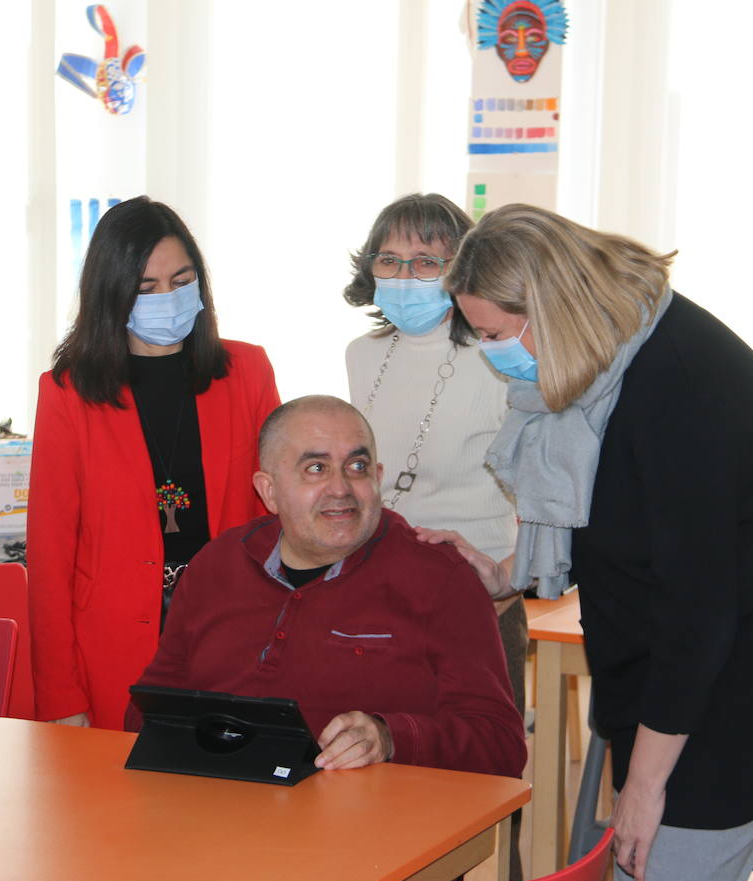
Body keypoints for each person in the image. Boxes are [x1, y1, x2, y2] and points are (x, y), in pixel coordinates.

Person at [433, 204, 753, 881]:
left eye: (495, 334)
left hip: (750, 662)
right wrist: (507, 574)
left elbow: (700, 606)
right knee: (648, 874)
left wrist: (646, 785)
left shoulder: (679, 381)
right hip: (679, 658)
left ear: (550, 308)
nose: (489, 350)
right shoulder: (606, 357)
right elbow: (612, 523)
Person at [126, 395, 525, 778]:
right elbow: (149, 710)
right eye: (315, 469)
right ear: (268, 491)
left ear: (379, 478)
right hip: (214, 814)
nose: (341, 488)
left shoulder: (440, 577)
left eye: (357, 467)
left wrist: (390, 738)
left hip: (371, 829)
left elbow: (500, 745)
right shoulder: (218, 565)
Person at [30, 196, 281, 730]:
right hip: (113, 650)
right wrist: (59, 695)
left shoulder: (248, 371)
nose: (167, 298)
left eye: (181, 280)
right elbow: (50, 555)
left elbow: (280, 514)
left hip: (233, 639)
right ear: (111, 295)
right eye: (146, 288)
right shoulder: (67, 394)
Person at [343, 193, 525, 713]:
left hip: (481, 598)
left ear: (462, 269)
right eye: (389, 260)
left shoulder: (499, 355)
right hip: (379, 596)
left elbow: (543, 500)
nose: (405, 276)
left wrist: (503, 588)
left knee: (475, 777)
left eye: (426, 261)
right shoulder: (362, 354)